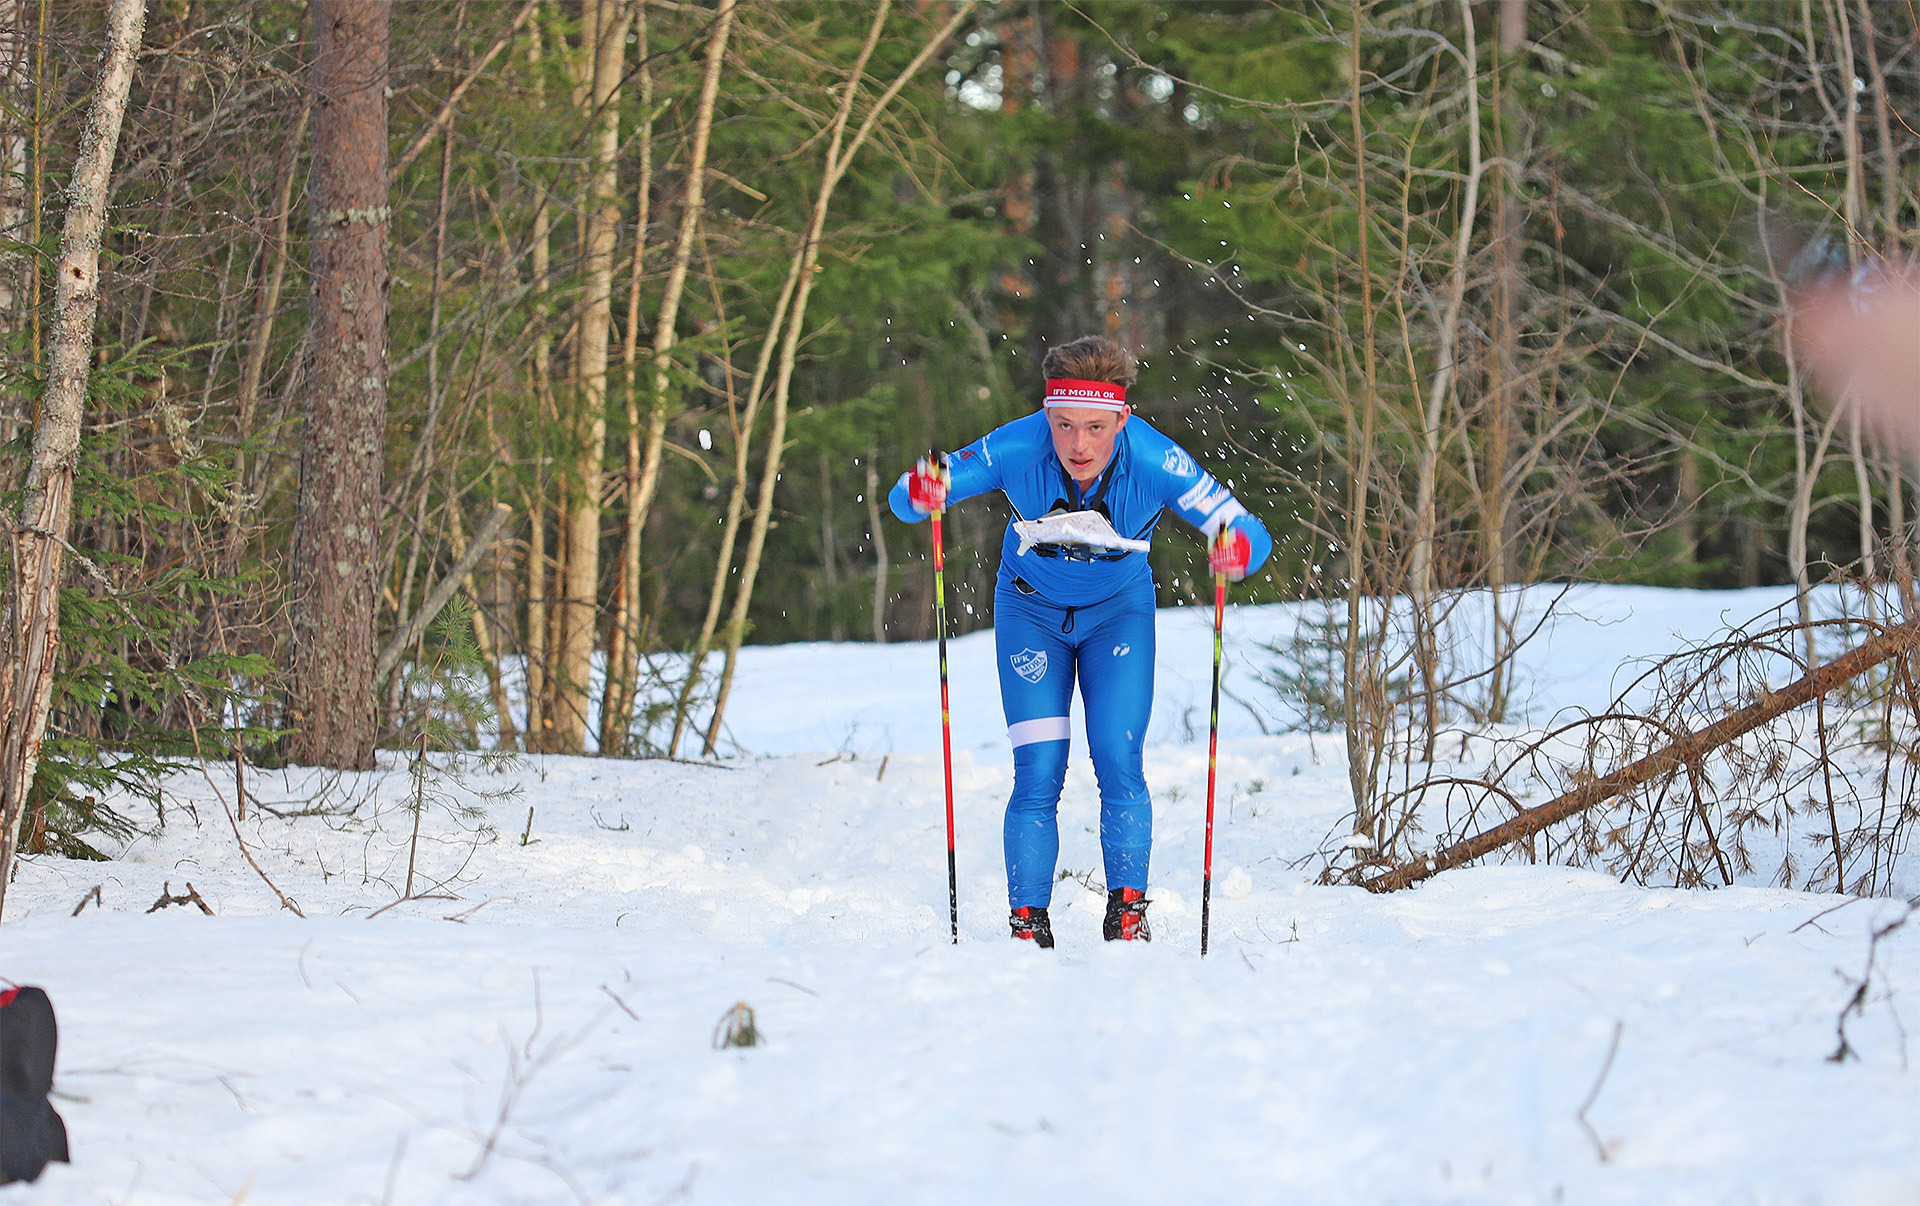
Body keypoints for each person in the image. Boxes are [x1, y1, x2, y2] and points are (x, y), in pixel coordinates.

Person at [890, 335, 1271, 945]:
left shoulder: (1155, 460)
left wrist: (1237, 549)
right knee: (1039, 768)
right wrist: (922, 490)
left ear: (1123, 417)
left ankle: (1126, 915)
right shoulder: (1019, 444)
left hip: (1118, 616)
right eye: (1064, 425)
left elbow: (1246, 529)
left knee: (1118, 759)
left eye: (1096, 427)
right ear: (1048, 415)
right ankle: (1027, 923)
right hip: (1030, 615)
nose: (1078, 445)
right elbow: (909, 498)